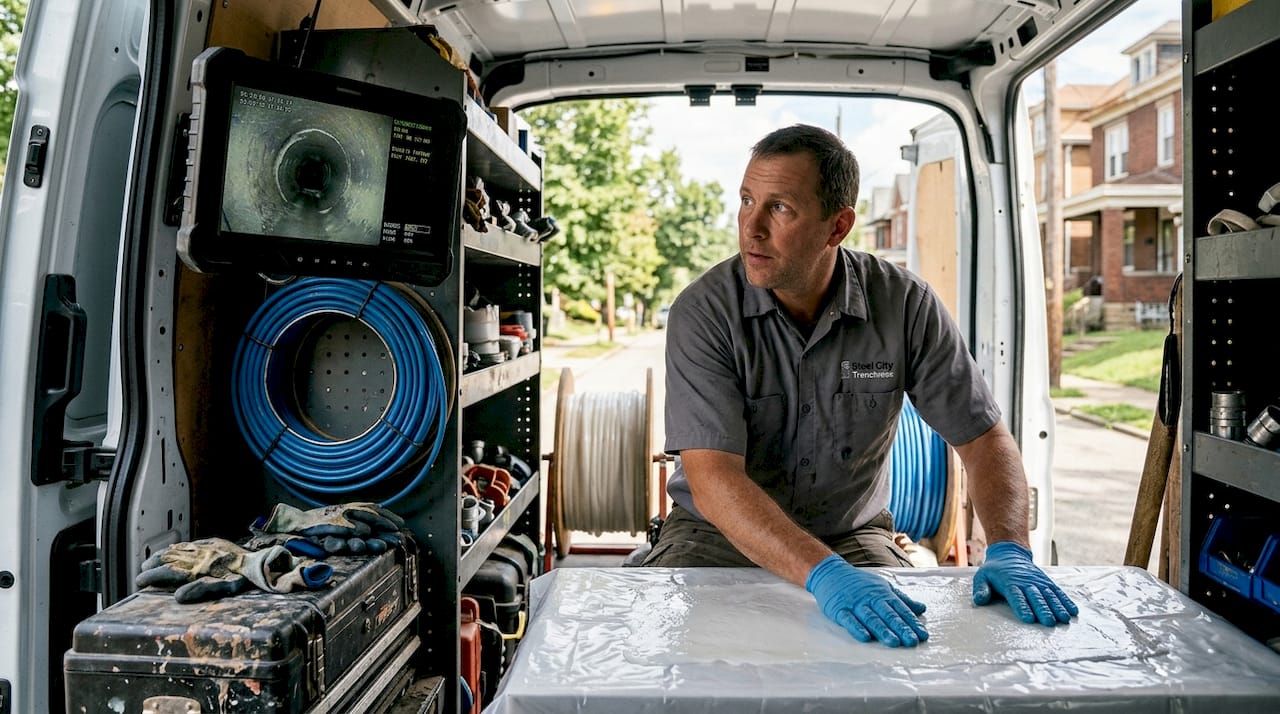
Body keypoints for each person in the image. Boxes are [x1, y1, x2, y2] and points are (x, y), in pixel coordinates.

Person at [642, 123, 1078, 647]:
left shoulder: (906, 306)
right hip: (714, 536)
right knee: (692, 665)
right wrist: (823, 575)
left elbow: (984, 440)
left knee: (901, 663)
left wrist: (1010, 549)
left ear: (838, 226)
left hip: (852, 537)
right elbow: (714, 482)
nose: (750, 228)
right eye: (746, 200)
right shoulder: (704, 312)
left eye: (779, 208)